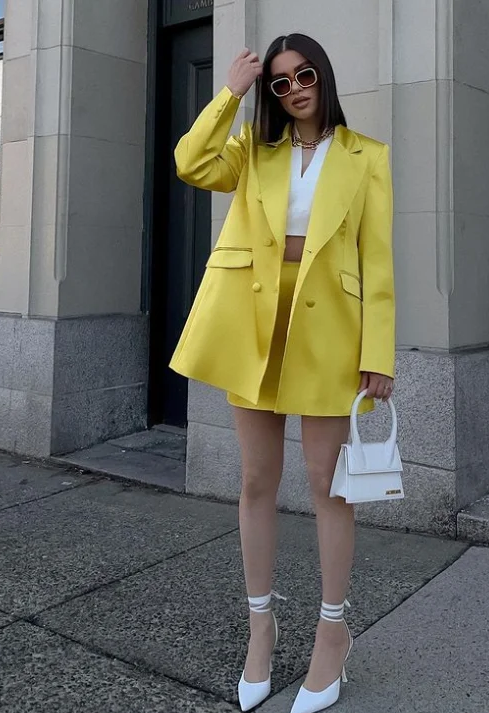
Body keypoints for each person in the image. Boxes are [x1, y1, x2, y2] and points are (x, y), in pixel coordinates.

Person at [170, 33, 395, 713]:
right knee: (254, 479)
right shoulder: (251, 150)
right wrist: (229, 92)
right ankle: (259, 627)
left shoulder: (366, 158)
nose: (294, 88)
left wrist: (377, 352)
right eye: (279, 82)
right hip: (253, 322)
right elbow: (189, 162)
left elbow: (377, 259)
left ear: (321, 76)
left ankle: (333, 631)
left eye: (303, 75)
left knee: (328, 486)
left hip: (328, 327)